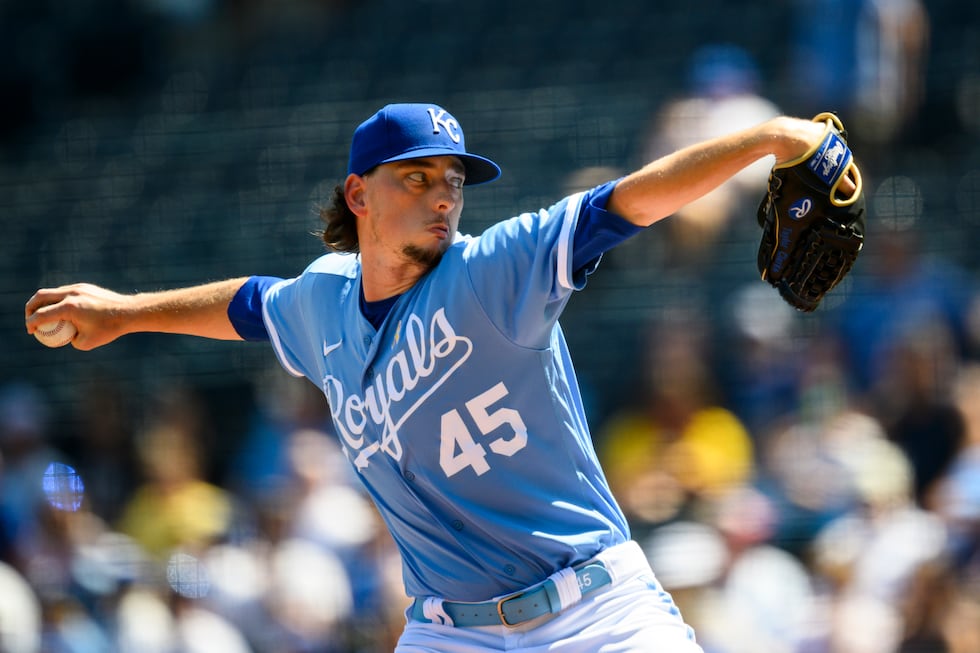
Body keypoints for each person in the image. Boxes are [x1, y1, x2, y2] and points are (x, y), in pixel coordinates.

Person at [25, 102, 842, 652]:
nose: (443, 197)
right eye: (415, 178)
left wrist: (769, 139)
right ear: (359, 194)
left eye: (452, 181)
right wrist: (124, 313)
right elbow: (247, 304)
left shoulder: (493, 271)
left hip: (594, 612)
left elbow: (621, 205)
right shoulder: (321, 303)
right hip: (451, 632)